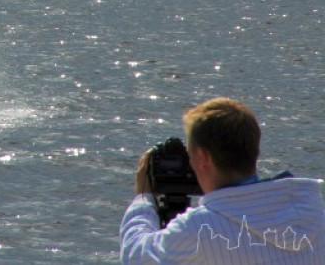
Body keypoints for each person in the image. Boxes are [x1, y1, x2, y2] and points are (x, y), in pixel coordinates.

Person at [120, 97, 325, 264]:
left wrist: (143, 198)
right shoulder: (315, 215)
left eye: (189, 154)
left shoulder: (198, 230)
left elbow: (136, 255)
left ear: (203, 158)